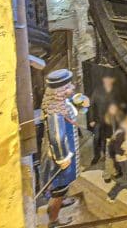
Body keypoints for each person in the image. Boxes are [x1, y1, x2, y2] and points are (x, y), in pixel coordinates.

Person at [40, 69, 87, 228]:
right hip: (61, 157)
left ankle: (62, 200)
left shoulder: (57, 103)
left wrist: (78, 102)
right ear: (60, 91)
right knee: (58, 188)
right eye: (68, 86)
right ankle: (54, 220)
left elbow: (69, 107)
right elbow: (57, 137)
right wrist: (63, 159)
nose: (72, 87)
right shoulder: (55, 114)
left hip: (65, 152)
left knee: (63, 186)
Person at [89, 73, 119, 165]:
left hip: (108, 120)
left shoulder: (113, 92)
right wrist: (91, 119)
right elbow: (91, 106)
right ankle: (96, 155)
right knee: (96, 138)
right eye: (107, 81)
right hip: (97, 120)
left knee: (106, 139)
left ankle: (105, 155)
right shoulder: (97, 91)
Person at [101, 103, 123, 183]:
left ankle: (114, 172)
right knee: (110, 158)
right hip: (110, 140)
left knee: (115, 157)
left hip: (117, 140)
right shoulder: (106, 118)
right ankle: (107, 175)